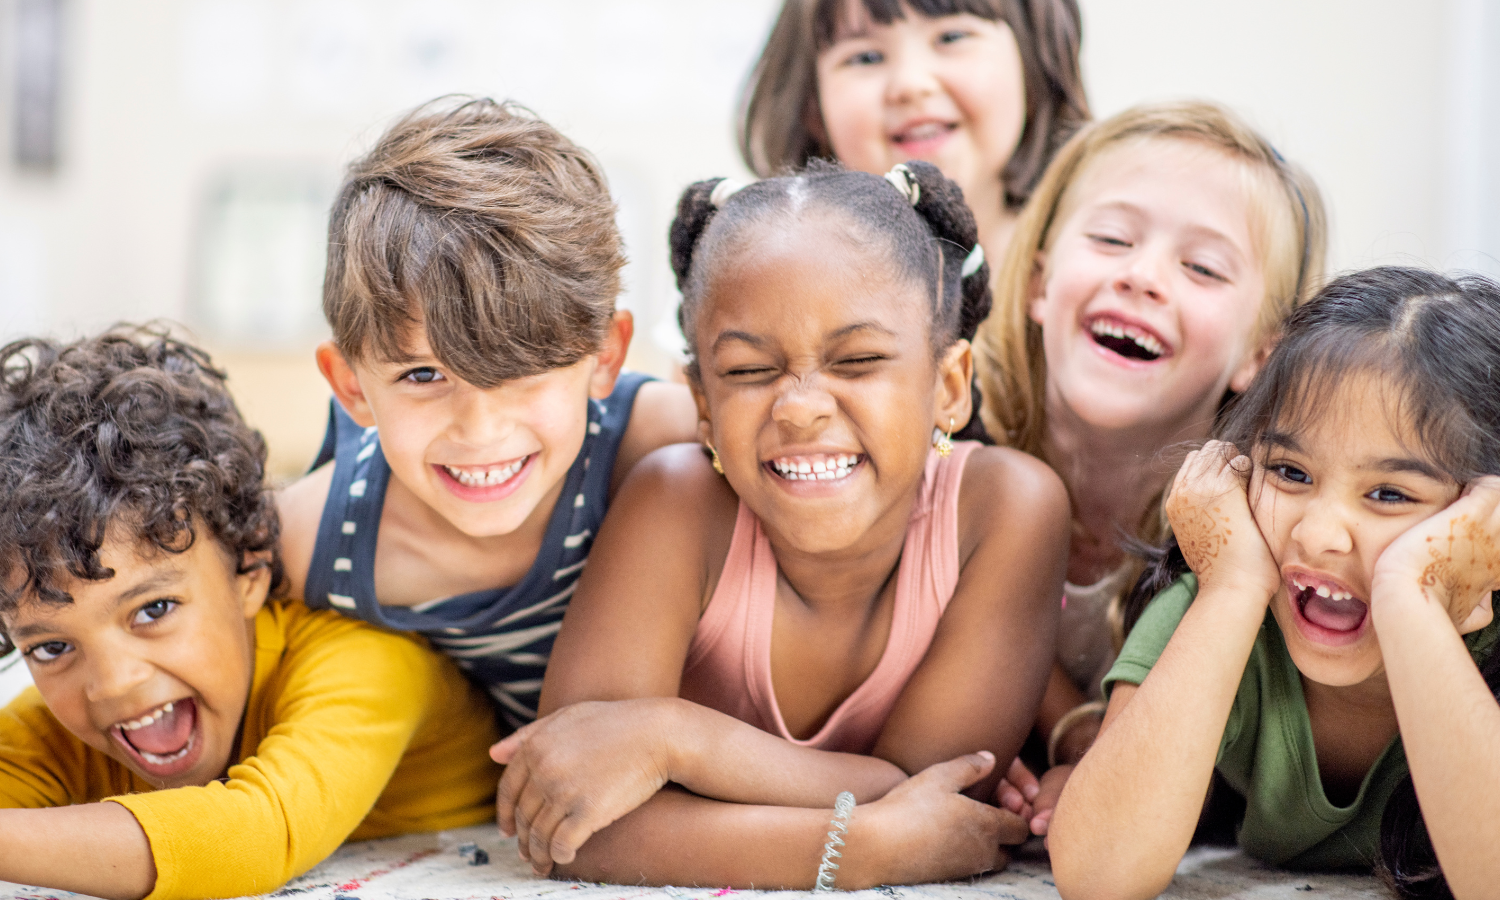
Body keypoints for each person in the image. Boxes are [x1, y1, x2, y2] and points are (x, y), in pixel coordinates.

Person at [489, 160, 1069, 889]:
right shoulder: (676, 504)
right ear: (701, 403)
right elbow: (569, 812)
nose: (799, 406)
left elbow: (940, 794)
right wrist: (860, 849)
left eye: (856, 360)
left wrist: (677, 742)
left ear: (948, 387)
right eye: (748, 371)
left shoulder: (1007, 510)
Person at [0, 328, 501, 900]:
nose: (114, 684)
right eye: (51, 648)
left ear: (251, 569)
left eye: (153, 609)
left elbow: (256, 833)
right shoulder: (54, 731)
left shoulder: (366, 660)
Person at [1049, 268, 1500, 900]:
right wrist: (1231, 589)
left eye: (1390, 493)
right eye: (1290, 471)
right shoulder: (1216, 608)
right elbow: (1097, 876)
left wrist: (1411, 599)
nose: (1318, 536)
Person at [276, 97, 699, 728]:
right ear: (352, 386)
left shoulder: (662, 442)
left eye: (523, 371)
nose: (480, 430)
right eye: (424, 375)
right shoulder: (316, 541)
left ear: (605, 356)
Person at [975, 101, 1328, 833]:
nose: (1142, 276)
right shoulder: (952, 445)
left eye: (1201, 267)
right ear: (1039, 283)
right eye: (1111, 238)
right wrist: (1073, 732)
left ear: (1260, 351)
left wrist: (1097, 757)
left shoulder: (1254, 527)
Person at [739, 0, 1088, 268]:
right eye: (865, 58)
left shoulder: (1090, 272)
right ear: (811, 108)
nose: (911, 84)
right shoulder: (784, 290)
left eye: (952, 37)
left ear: (1033, 67)